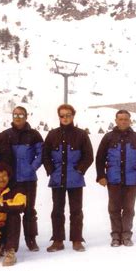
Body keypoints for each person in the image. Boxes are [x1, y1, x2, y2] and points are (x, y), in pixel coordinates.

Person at [43, 104, 94, 252]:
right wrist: (51, 170)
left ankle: (77, 240)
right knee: (57, 210)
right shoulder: (52, 134)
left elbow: (88, 156)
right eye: (62, 115)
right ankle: (58, 241)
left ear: (73, 116)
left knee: (76, 211)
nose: (65, 118)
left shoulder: (81, 134)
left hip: (75, 179)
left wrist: (79, 170)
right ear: (59, 117)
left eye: (68, 115)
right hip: (57, 178)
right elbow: (45, 155)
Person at [95, 109, 136, 247]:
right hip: (113, 180)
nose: (123, 121)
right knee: (114, 208)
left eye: (126, 119)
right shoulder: (108, 137)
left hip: (132, 180)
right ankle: (115, 236)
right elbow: (100, 157)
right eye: (120, 119)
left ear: (130, 121)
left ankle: (126, 235)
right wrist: (101, 175)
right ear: (116, 121)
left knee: (129, 209)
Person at [1, 106, 43, 251]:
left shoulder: (34, 134)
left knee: (29, 210)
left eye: (21, 115)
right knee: (11, 211)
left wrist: (32, 168)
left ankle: (31, 239)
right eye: (15, 115)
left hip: (29, 179)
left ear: (26, 116)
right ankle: (9, 242)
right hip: (12, 180)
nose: (18, 117)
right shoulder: (5, 135)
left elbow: (41, 154)